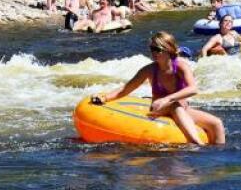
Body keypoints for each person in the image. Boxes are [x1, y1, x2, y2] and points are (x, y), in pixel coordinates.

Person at [92, 31, 225, 145]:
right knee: (175, 105)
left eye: (158, 49)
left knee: (216, 123)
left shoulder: (180, 66)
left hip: (183, 109)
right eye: (152, 48)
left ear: (168, 50)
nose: (154, 52)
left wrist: (167, 99)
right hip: (160, 109)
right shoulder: (149, 70)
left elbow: (193, 89)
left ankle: (217, 159)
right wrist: (104, 97)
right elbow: (125, 89)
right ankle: (197, 145)